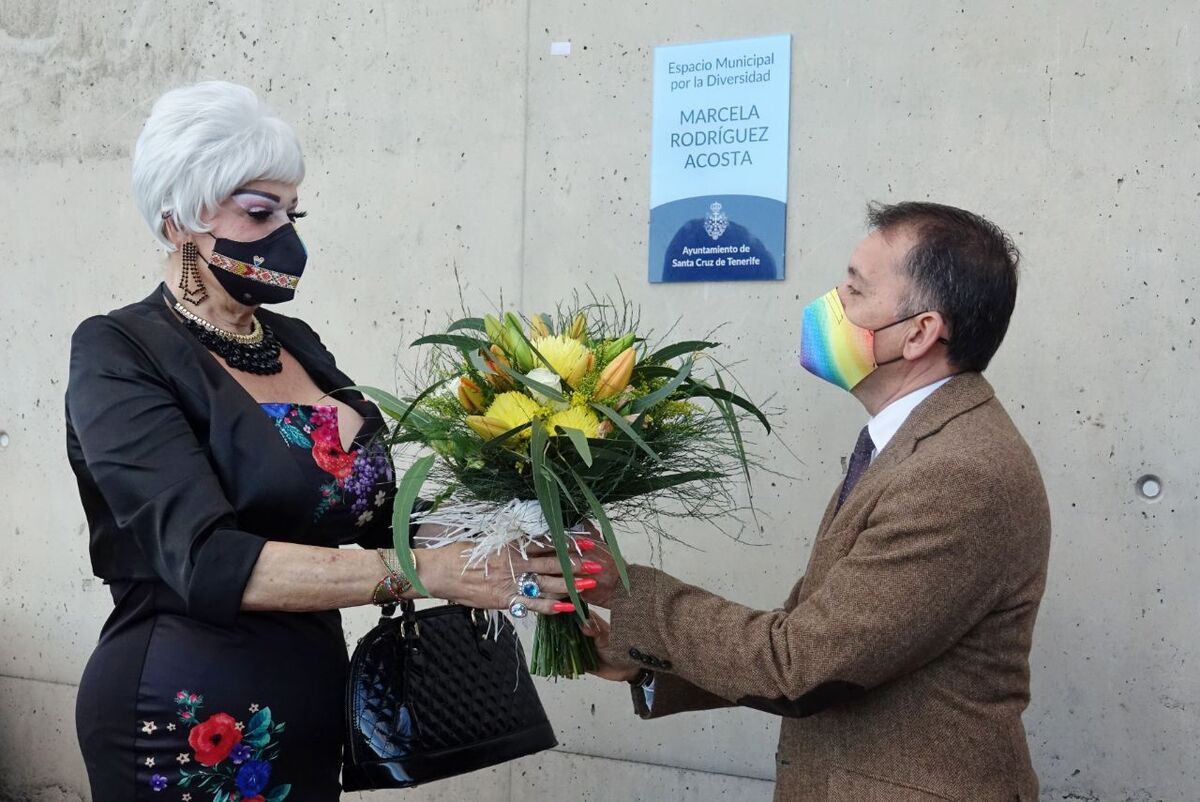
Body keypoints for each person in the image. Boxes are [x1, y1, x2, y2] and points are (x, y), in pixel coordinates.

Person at [67, 81, 574, 802]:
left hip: (312, 712)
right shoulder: (120, 350)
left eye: (292, 211)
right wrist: (430, 571)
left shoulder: (295, 343)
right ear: (179, 220)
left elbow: (373, 512)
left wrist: (509, 528)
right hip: (183, 723)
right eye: (258, 210)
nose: (286, 236)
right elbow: (208, 560)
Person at [562, 202, 1052, 801]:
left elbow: (800, 666)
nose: (830, 306)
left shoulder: (957, 474)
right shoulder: (907, 442)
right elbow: (821, 642)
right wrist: (642, 664)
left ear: (920, 332)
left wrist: (623, 589)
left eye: (854, 290)